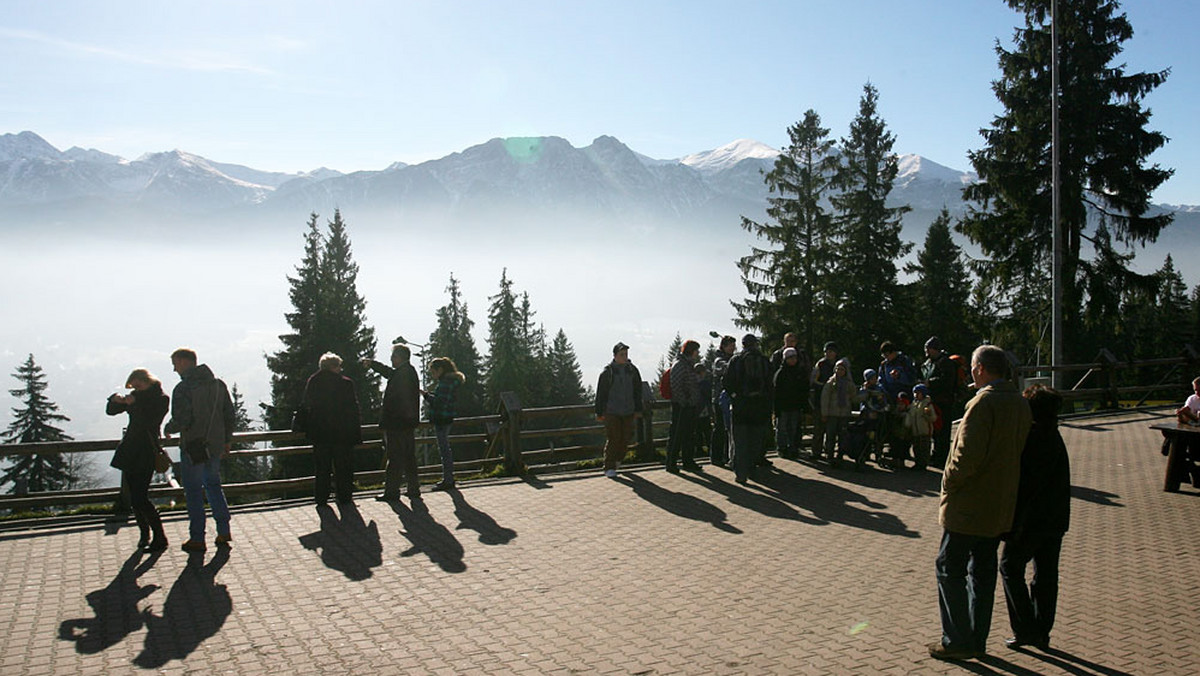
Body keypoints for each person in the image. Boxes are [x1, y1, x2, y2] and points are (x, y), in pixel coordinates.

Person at [929, 344, 1032, 662]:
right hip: (999, 504)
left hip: (970, 504)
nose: (970, 372)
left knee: (949, 568)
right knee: (983, 572)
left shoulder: (983, 403)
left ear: (981, 369)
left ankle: (957, 638)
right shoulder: (1019, 402)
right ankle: (976, 638)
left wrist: (948, 483)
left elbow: (965, 457)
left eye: (973, 367)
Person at [1001, 384, 1071, 651]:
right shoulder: (1053, 434)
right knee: (1045, 574)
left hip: (1032, 520)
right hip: (1055, 518)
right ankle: (1042, 630)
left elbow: (1027, 485)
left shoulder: (1033, 437)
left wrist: (1013, 522)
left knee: (1010, 567)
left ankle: (1025, 627)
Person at [163, 348, 235, 554]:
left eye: (175, 363)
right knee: (213, 484)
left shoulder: (183, 388)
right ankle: (223, 530)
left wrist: (169, 428)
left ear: (186, 362)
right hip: (215, 444)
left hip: (193, 446)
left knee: (193, 491)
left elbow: (183, 419)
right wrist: (227, 440)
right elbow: (229, 415)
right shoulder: (218, 385)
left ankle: (197, 537)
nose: (174, 368)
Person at [107, 368, 171, 552]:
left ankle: (159, 536)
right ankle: (145, 534)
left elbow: (149, 420)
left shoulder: (160, 398)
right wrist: (116, 399)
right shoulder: (136, 396)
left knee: (140, 496)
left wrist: (133, 404)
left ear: (148, 381)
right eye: (134, 386)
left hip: (146, 450)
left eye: (139, 385)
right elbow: (111, 411)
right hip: (131, 450)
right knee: (134, 498)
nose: (136, 389)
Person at [301, 352, 362, 505]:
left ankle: (321, 498)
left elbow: (307, 405)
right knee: (343, 468)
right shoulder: (346, 384)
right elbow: (353, 410)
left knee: (322, 468)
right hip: (342, 434)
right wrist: (356, 433)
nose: (341, 369)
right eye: (339, 366)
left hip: (320, 433)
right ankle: (344, 497)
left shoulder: (313, 382)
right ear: (334, 367)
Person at [364, 343, 422, 502]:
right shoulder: (407, 372)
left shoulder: (403, 374)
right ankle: (413, 488)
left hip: (397, 423)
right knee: (409, 457)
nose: (391, 359)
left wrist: (385, 418)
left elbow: (395, 400)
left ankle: (391, 491)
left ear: (399, 357)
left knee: (395, 457)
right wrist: (374, 365)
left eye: (393, 356)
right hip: (407, 422)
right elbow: (389, 373)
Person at [724, 334, 774, 484]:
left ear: (743, 344)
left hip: (741, 406)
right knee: (755, 440)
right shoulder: (765, 360)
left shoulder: (736, 360)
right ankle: (752, 469)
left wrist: (734, 396)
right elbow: (770, 384)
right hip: (759, 406)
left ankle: (741, 473)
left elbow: (726, 381)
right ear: (756, 344)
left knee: (740, 441)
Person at [595, 342, 644, 478]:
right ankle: (609, 466)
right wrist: (599, 412)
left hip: (628, 410)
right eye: (622, 354)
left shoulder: (633, 371)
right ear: (615, 355)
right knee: (614, 438)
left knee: (626, 438)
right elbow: (601, 393)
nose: (625, 357)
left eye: (626, 354)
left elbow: (637, 391)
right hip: (612, 411)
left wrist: (638, 409)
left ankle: (618, 460)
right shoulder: (607, 372)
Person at [422, 357, 466, 491]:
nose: (433, 375)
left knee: (444, 450)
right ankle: (449, 478)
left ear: (440, 370)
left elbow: (440, 402)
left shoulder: (446, 382)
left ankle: (448, 479)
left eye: (433, 372)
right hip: (447, 418)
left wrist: (426, 396)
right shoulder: (451, 381)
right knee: (445, 449)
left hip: (441, 419)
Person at [666, 340, 704, 473]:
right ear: (691, 351)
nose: (698, 353)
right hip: (682, 406)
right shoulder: (680, 364)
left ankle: (688, 461)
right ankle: (671, 462)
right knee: (677, 434)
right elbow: (675, 385)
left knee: (688, 435)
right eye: (696, 351)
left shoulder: (686, 364)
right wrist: (684, 401)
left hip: (689, 405)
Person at [922, 336, 958, 467]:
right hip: (935, 400)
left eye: (928, 348)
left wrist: (929, 383)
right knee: (935, 430)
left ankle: (941, 457)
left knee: (942, 431)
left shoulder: (945, 363)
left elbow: (946, 381)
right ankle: (937, 455)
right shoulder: (932, 362)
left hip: (944, 401)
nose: (926, 351)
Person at [821, 359, 856, 467]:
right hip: (832, 413)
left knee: (843, 436)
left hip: (844, 413)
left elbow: (853, 397)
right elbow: (825, 399)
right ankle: (829, 455)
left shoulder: (849, 384)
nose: (839, 371)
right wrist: (824, 413)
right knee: (830, 435)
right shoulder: (830, 383)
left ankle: (840, 455)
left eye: (842, 369)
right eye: (837, 369)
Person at [773, 348, 807, 460]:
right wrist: (776, 408)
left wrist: (803, 404)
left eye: (795, 357)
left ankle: (793, 447)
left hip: (795, 405)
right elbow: (776, 392)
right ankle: (782, 448)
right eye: (790, 358)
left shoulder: (800, 372)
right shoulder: (780, 373)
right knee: (781, 428)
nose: (793, 360)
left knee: (794, 428)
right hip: (783, 406)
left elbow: (804, 390)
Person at [810, 341, 841, 462]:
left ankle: (830, 452)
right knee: (818, 428)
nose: (829, 354)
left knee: (831, 430)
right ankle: (816, 451)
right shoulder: (821, 364)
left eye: (831, 351)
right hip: (820, 400)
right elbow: (813, 380)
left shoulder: (839, 365)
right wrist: (825, 386)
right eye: (827, 351)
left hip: (835, 402)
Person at [710, 335, 737, 468]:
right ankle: (716, 457)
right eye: (730, 346)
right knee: (720, 428)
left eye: (734, 347)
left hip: (730, 399)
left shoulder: (732, 358)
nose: (733, 349)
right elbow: (727, 369)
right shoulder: (719, 361)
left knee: (729, 429)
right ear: (724, 346)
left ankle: (726, 455)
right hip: (720, 399)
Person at [906, 384, 937, 470]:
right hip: (915, 431)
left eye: (918, 393)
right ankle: (917, 462)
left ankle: (923, 464)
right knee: (916, 448)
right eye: (914, 393)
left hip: (924, 430)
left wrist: (927, 415)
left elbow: (933, 418)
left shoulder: (927, 404)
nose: (916, 395)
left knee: (924, 448)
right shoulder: (914, 404)